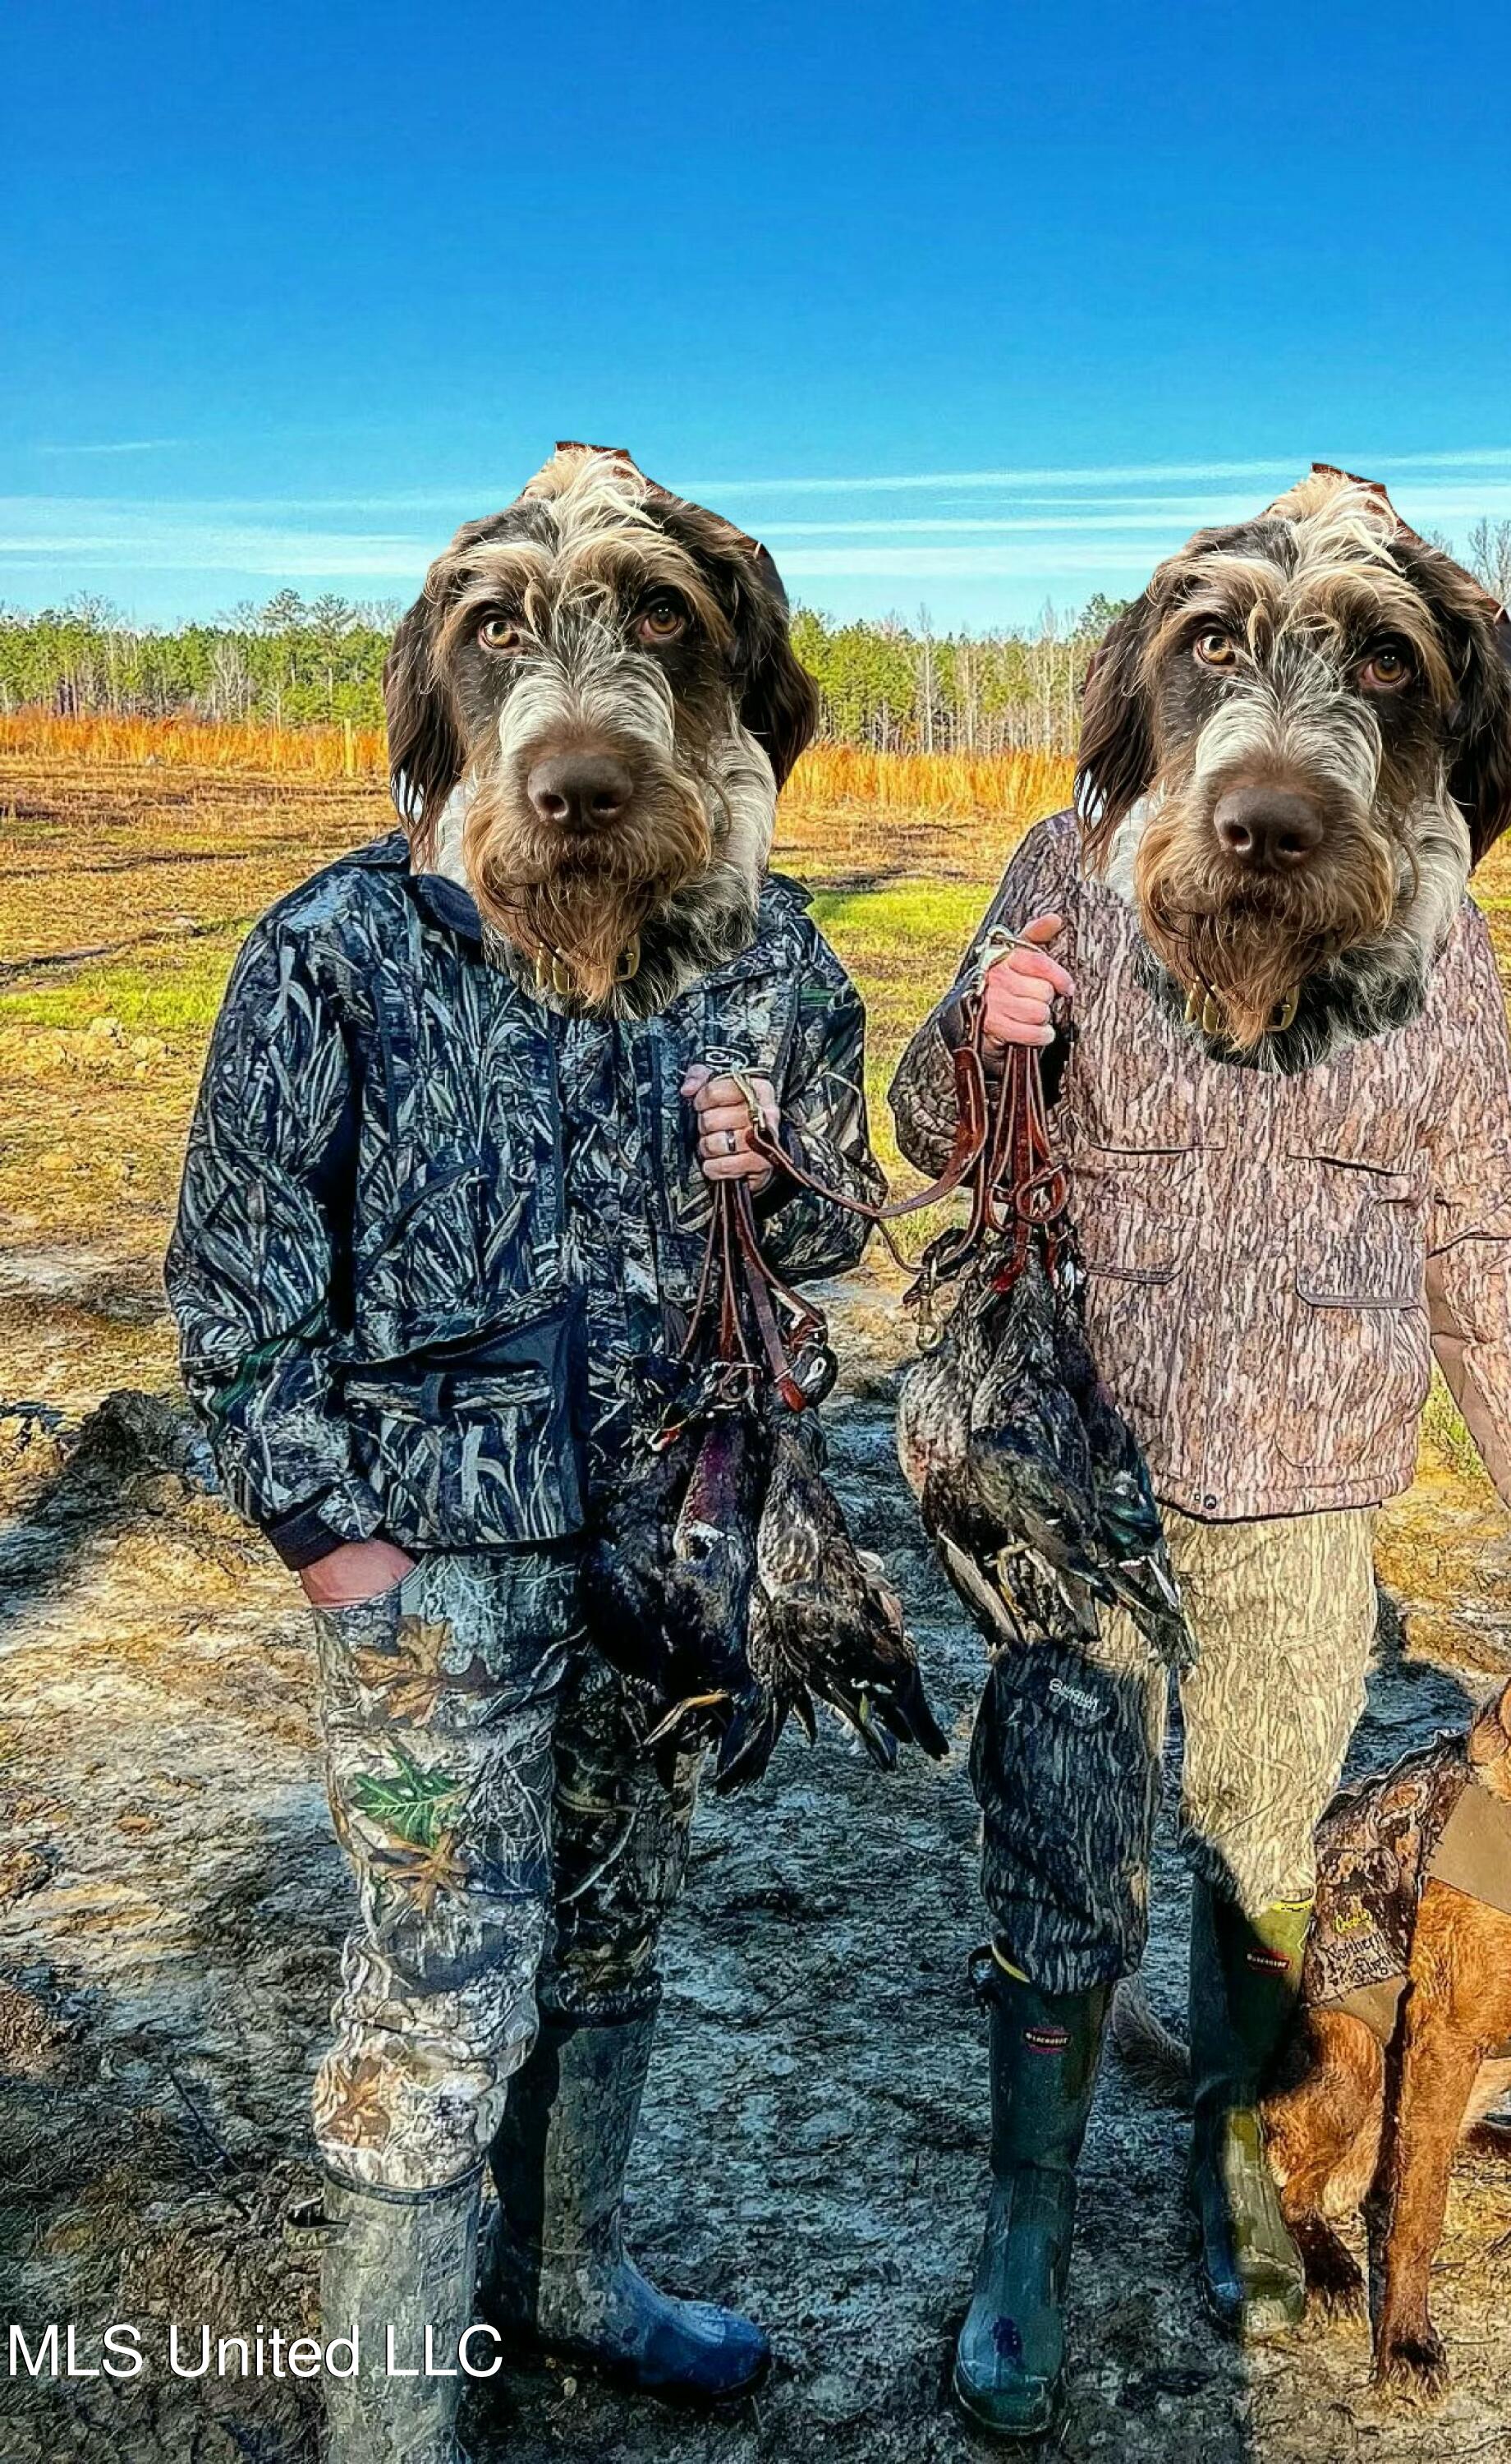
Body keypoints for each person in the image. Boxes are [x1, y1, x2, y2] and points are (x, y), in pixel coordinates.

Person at [890, 468, 1511, 2438]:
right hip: (1080, 1469)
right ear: (1155, 702)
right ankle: (1027, 2233)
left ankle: (1233, 2177)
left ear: (1434, 735)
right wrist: (985, 1034)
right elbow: (930, 1131)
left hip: (1311, 1497)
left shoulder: (1441, 943)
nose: (1276, 751)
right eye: (1222, 655)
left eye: (1369, 669)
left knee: (1252, 1855)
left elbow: (1485, 1242)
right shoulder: (1073, 859)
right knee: (1061, 1850)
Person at [163, 447, 880, 2463]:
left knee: (622, 1921)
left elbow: (833, 1221)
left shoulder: (768, 953)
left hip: (666, 1549)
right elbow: (233, 1303)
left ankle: (572, 2285)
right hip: (427, 1572)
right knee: (439, 1992)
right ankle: (396, 2421)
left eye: (654, 633)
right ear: (450, 713)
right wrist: (338, 1556)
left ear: (733, 706)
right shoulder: (336, 954)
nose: (581, 737)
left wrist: (780, 1177)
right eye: (509, 650)